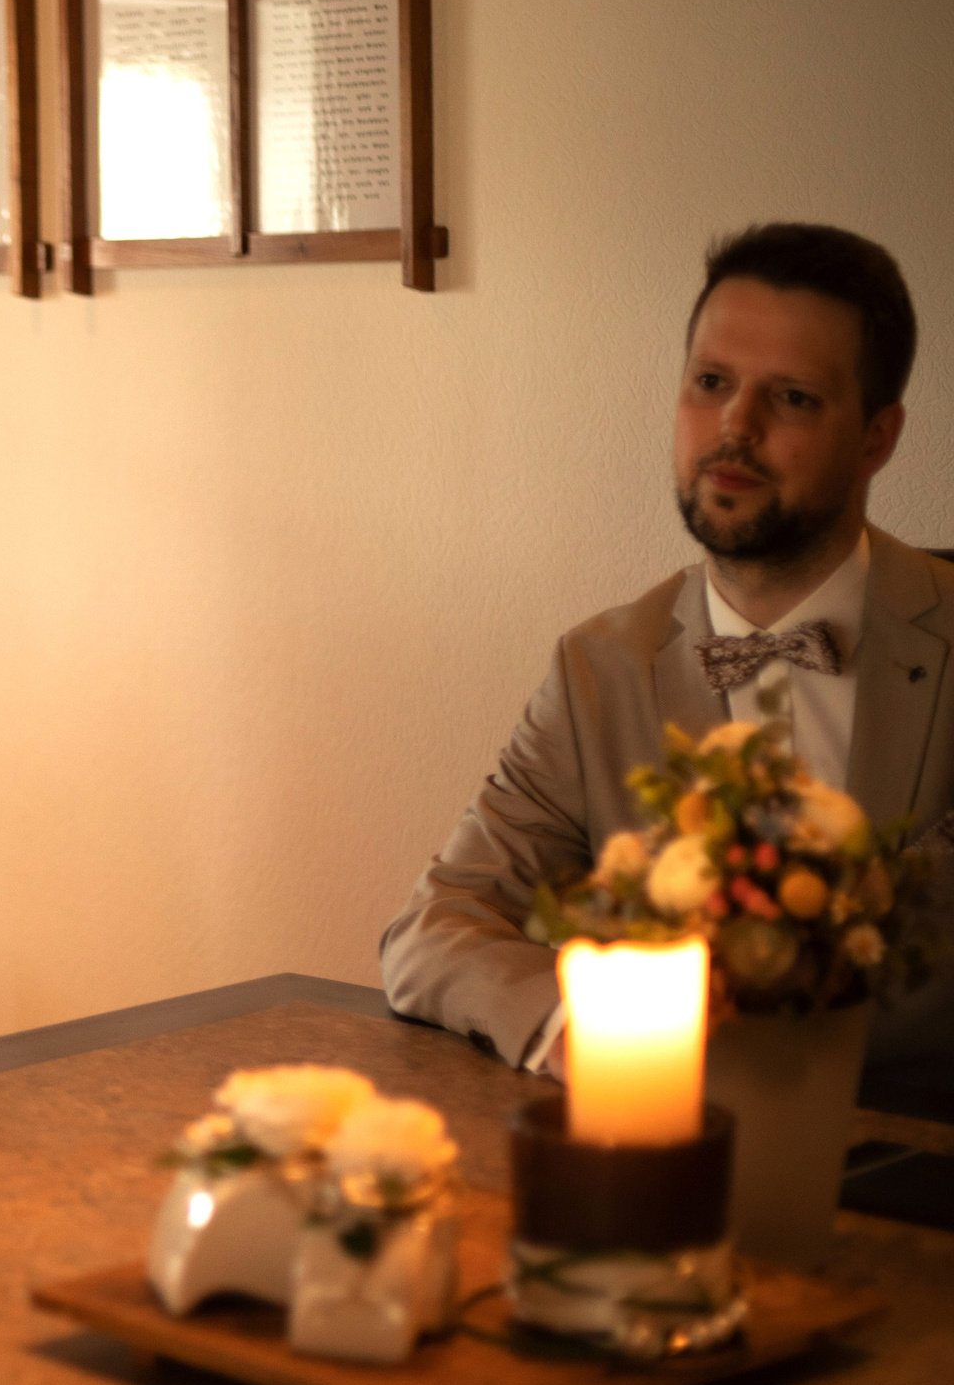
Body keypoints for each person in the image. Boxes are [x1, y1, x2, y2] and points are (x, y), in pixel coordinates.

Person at [382, 223, 954, 1083]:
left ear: (877, 437)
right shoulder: (597, 671)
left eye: (792, 397)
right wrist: (588, 1031)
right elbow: (435, 926)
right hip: (665, 1153)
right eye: (712, 382)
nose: (735, 426)